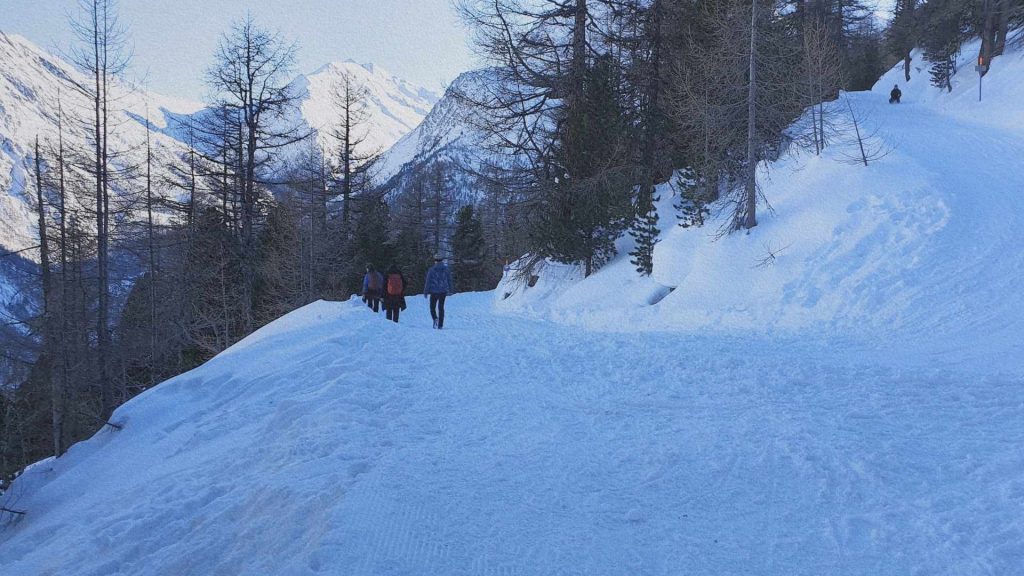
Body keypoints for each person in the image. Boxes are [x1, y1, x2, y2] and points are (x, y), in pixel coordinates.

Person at [423, 253, 454, 329]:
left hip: (434, 291)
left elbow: (428, 281)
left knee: (432, 307)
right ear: (442, 260)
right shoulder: (446, 269)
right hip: (443, 291)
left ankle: (435, 318)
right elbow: (449, 280)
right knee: (441, 308)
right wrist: (451, 289)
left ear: (435, 260)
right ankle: (440, 325)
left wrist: (426, 291)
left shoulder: (431, 269)